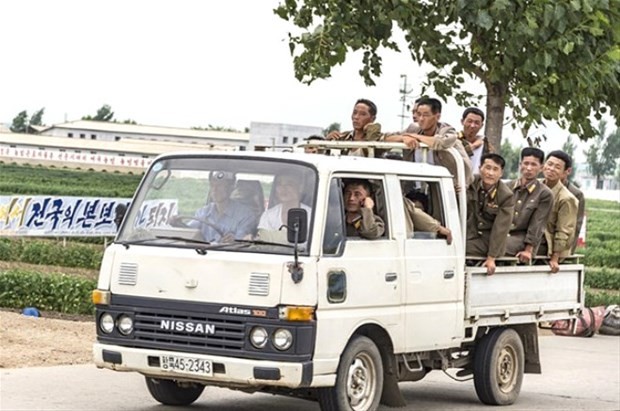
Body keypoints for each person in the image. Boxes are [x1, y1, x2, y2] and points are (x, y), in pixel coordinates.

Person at [384, 97, 473, 189]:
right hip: (415, 188)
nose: (421, 119)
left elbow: (440, 142)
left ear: (437, 117)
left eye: (425, 115)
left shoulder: (447, 130)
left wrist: (414, 136)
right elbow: (386, 137)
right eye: (419, 114)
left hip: (451, 188)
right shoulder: (413, 129)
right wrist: (403, 138)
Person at [466, 153, 515, 275]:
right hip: (470, 233)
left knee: (457, 248)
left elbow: (501, 229)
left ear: (501, 173)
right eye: (487, 168)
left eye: (495, 169)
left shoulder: (506, 196)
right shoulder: (470, 182)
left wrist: (491, 258)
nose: (490, 173)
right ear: (480, 168)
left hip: (489, 241)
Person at [505, 147, 553, 264]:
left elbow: (537, 223)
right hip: (502, 234)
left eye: (534, 164)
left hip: (522, 239)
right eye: (526, 163)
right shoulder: (507, 187)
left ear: (541, 168)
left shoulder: (544, 194)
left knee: (497, 247)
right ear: (520, 164)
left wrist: (528, 250)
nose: (529, 168)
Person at [181, 171, 258, 243]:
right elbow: (189, 232)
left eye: (219, 185)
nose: (215, 189)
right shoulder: (204, 212)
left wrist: (233, 240)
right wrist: (178, 224)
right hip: (201, 253)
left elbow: (242, 242)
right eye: (212, 185)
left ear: (230, 188)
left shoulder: (245, 215)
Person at [539, 150, 579, 273]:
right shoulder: (536, 186)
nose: (551, 169)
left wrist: (555, 257)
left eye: (557, 167)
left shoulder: (567, 198)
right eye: (549, 164)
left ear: (565, 172)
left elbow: (564, 230)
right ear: (543, 165)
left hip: (547, 243)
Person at [256, 173, 311, 242]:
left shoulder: (312, 215)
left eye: (289, 184)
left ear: (300, 188)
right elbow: (263, 242)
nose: (283, 188)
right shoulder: (268, 215)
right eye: (279, 184)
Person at [458, 107, 493, 174]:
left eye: (476, 123)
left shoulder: (485, 145)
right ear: (462, 121)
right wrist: (473, 146)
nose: (472, 125)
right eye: (469, 121)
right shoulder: (454, 140)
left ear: (481, 125)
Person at [562, 168, 585, 253]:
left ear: (567, 171)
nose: (551, 169)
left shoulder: (575, 194)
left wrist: (569, 249)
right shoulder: (540, 187)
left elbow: (576, 225)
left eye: (557, 167)